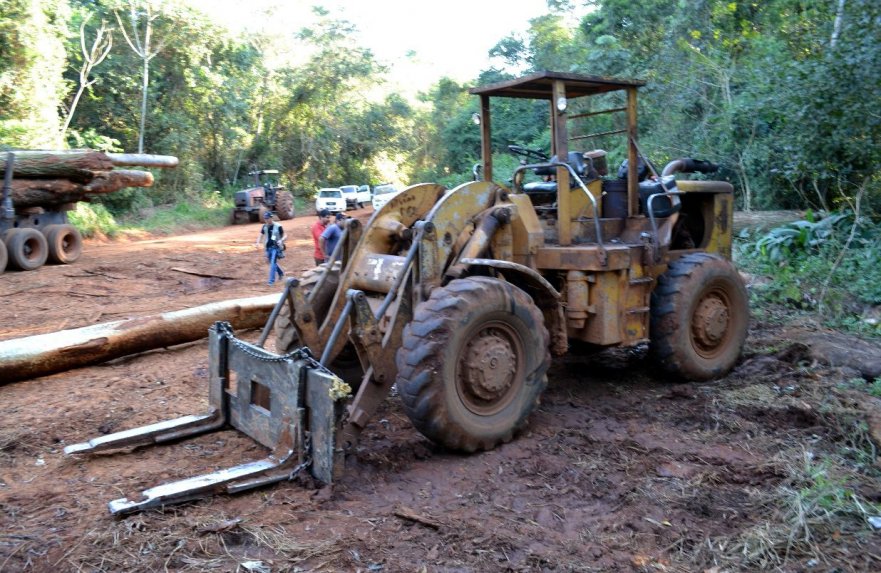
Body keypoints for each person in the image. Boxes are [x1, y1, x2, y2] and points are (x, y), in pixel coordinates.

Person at [255, 211, 285, 285]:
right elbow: (260, 235)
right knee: (272, 263)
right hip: (268, 248)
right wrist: (257, 242)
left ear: (271, 218)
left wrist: (281, 240)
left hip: (276, 247)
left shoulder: (278, 226)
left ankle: (271, 281)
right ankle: (281, 273)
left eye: (268, 218)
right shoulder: (264, 226)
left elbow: (285, 235)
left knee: (272, 264)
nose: (266, 220)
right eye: (265, 219)